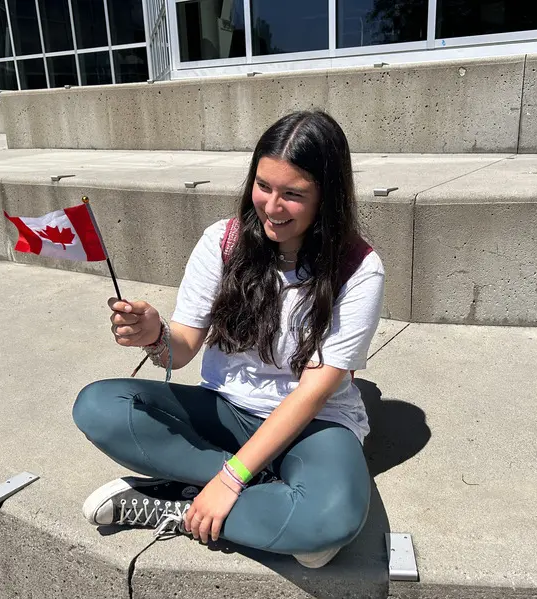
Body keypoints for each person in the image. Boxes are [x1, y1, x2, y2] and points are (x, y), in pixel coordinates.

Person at [72, 110, 385, 568]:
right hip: (226, 411)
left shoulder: (358, 269)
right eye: (263, 186)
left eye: (293, 195)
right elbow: (181, 347)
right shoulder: (223, 241)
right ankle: (269, 501)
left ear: (327, 198)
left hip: (313, 426)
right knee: (98, 407)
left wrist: (232, 479)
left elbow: (313, 393)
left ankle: (178, 506)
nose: (272, 207)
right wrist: (154, 334)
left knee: (329, 525)